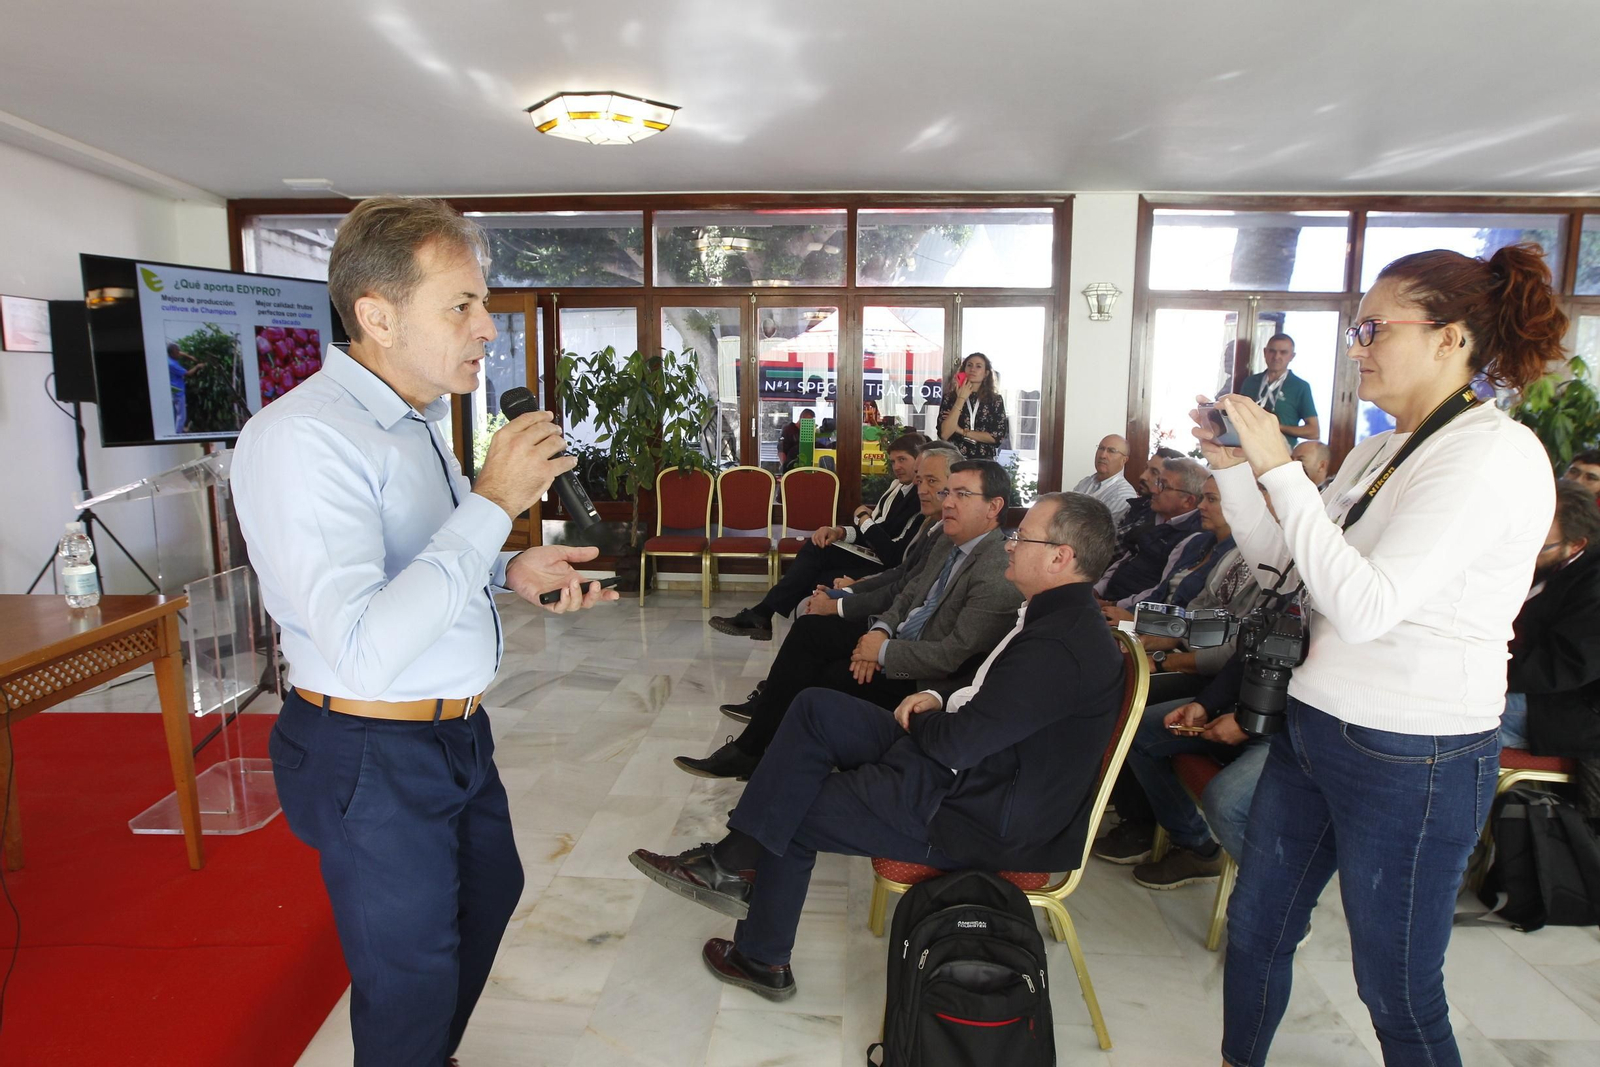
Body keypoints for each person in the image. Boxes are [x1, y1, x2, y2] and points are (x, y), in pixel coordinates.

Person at [231, 197, 616, 1067]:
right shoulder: (301, 439)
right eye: (462, 305)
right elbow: (362, 641)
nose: (487, 327)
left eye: (483, 303)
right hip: (368, 744)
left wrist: (507, 569)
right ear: (377, 315)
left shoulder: (413, 423)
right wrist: (491, 503)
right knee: (408, 976)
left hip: (454, 732)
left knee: (490, 890)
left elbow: (416, 561)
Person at [1198, 243, 1564, 1067]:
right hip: (1318, 725)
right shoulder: (1377, 449)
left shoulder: (1489, 453)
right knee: (1257, 929)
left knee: (1395, 986)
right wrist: (1233, 472)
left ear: (1450, 338)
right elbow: (1286, 571)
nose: (1355, 345)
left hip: (1415, 753)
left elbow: (1364, 607)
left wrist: (1282, 470)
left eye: (1372, 326)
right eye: (1353, 327)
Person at [627, 493, 1124, 1001]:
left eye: (1023, 538)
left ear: (1060, 557)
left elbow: (959, 744)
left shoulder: (1061, 646)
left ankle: (761, 955)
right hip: (970, 769)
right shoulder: (1053, 616)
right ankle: (733, 862)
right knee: (817, 706)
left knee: (789, 808)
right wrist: (934, 694)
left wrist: (922, 719)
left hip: (975, 812)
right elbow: (983, 683)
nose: (1011, 547)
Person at [675, 460, 1022, 779]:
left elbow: (951, 655)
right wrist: (880, 631)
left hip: (921, 676)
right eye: (947, 492)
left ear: (994, 507)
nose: (947, 502)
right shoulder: (951, 541)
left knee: (821, 680)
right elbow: (907, 594)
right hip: (895, 639)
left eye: (961, 494)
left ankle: (763, 758)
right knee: (811, 630)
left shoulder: (996, 572)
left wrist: (881, 652)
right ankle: (754, 749)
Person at [709, 432, 926, 639]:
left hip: (883, 565)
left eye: (902, 460)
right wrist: (838, 531)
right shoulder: (897, 487)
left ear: (919, 461)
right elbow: (872, 530)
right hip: (869, 553)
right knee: (817, 551)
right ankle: (766, 618)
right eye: (893, 461)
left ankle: (764, 615)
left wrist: (862, 517)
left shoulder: (921, 499)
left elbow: (889, 550)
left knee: (814, 561)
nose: (896, 467)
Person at [1095, 653, 1269, 889]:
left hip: (1286, 736)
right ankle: (1195, 845)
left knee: (1225, 803)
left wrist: (1251, 723)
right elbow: (1243, 658)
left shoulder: (1331, 624)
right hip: (1242, 709)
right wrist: (1205, 705)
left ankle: (1278, 900)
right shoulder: (1276, 615)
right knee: (1136, 733)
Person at [1500, 480, 1600, 756]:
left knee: (1435, 712)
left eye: (1537, 546)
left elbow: (1561, 666)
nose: (1524, 552)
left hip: (1565, 708)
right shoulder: (1551, 560)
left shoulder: (1594, 586)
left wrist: (1480, 671)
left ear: (1576, 544)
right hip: (1531, 683)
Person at [1097, 456, 1207, 602]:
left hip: (1132, 613)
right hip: (1108, 598)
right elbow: (1127, 557)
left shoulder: (1194, 536)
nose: (1154, 489)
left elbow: (1163, 590)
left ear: (1188, 501)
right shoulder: (1152, 513)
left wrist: (1115, 606)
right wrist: (1097, 590)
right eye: (1157, 482)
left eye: (1163, 485)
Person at [1237, 333, 1319, 448]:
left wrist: (1276, 427)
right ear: (1265, 352)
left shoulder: (1300, 386)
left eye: (1283, 352)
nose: (1276, 357)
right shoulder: (1250, 382)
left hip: (1280, 451)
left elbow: (1314, 431)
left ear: (1292, 356)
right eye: (1272, 351)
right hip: (1248, 448)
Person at [937, 352, 1009, 460]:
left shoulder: (994, 400)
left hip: (983, 461)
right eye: (969, 365)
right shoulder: (950, 398)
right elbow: (945, 434)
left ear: (986, 373)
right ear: (963, 370)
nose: (972, 369)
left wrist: (960, 430)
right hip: (954, 458)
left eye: (978, 366)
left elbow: (996, 437)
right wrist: (961, 399)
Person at [1072, 434, 1139, 523]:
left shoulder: (1123, 495)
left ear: (1124, 460)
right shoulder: (1086, 482)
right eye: (1101, 448)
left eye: (1111, 451)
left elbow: (1098, 531)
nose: (1103, 455)